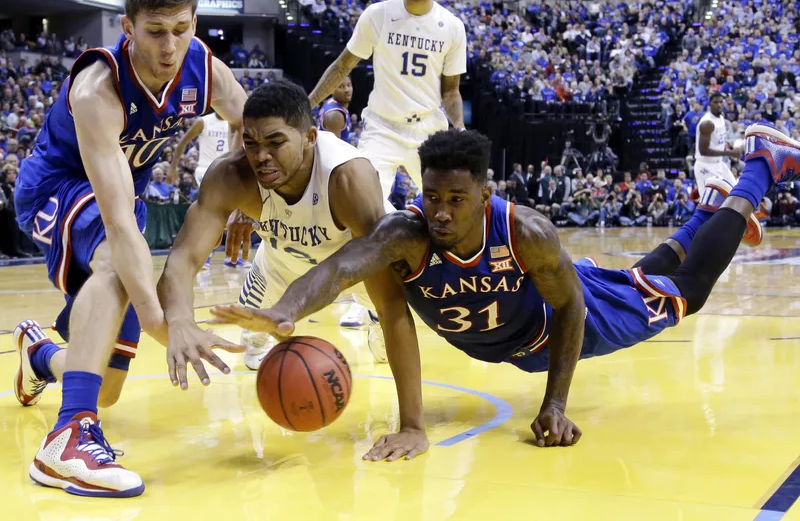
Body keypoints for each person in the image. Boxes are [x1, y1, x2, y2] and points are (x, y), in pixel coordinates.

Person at [204, 125, 787, 460]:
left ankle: (759, 168)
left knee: (687, 293)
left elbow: (571, 306)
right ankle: (705, 212)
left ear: (484, 197)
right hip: (512, 333)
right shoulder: (405, 234)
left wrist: (554, 404)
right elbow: (339, 267)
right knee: (647, 278)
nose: (441, 212)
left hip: (555, 324)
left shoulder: (526, 233)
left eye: (457, 200)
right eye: (433, 196)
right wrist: (285, 309)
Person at [11, 0, 249, 498]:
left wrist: (242, 196)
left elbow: (250, 122)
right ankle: (66, 439)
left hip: (121, 198)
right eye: (155, 31)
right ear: (127, 27)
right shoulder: (98, 88)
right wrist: (168, 325)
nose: (170, 45)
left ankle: (40, 356)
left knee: (108, 386)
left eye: (182, 29)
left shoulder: (205, 70)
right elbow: (118, 224)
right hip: (56, 188)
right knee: (117, 265)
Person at [158, 80, 407, 376]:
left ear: (310, 137)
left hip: (355, 263)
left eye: (276, 143)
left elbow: (389, 296)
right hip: (283, 258)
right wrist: (179, 320)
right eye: (251, 143)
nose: (261, 156)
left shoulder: (348, 176)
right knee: (251, 339)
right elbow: (182, 259)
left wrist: (413, 423)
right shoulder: (232, 175)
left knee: (386, 312)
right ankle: (259, 331)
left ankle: (372, 320)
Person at [307, 0, 467, 198]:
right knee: (363, 202)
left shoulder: (452, 26)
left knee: (451, 201)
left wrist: (458, 126)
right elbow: (342, 66)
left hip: (428, 127)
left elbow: (451, 90)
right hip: (383, 128)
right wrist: (309, 103)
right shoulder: (378, 15)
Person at [169, 109, 241, 270]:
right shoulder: (203, 121)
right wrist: (173, 167)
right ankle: (204, 255)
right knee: (211, 212)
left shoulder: (234, 122)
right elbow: (183, 142)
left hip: (225, 172)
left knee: (232, 213)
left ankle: (233, 257)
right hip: (205, 171)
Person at [694, 92, 739, 193]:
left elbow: (718, 143)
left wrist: (729, 150)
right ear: (710, 105)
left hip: (719, 163)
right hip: (705, 166)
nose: (719, 104)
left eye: (721, 102)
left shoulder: (721, 118)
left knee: (735, 192)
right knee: (711, 202)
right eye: (715, 102)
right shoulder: (707, 123)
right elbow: (703, 151)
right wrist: (729, 153)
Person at [317, 75, 353, 142]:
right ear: (331, 90)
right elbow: (333, 149)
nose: (347, 90)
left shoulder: (331, 101)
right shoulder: (335, 115)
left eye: (349, 85)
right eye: (341, 87)